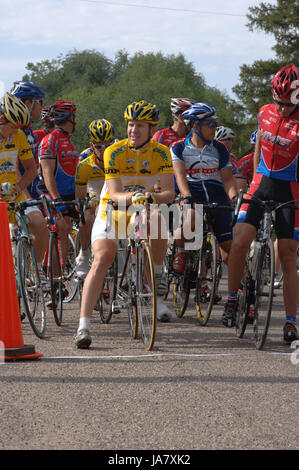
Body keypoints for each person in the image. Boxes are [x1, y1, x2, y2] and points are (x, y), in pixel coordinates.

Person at [74, 99, 175, 349]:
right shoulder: (114, 152)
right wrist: (136, 196)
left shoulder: (162, 152)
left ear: (152, 129)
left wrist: (153, 197)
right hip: (114, 208)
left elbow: (169, 193)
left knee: (157, 217)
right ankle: (83, 325)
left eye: (140, 125)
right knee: (102, 258)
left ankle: (156, 272)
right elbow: (116, 193)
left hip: (143, 207)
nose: (133, 130)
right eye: (131, 124)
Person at [222, 63, 299, 344]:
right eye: (277, 102)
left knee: (289, 253)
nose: (281, 109)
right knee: (239, 240)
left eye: (287, 105)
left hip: (290, 190)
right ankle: (232, 299)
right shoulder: (264, 112)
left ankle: (290, 322)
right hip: (261, 184)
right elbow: (257, 152)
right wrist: (254, 182)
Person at [170, 103, 237, 289]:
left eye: (216, 124)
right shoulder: (178, 148)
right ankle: (181, 251)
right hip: (193, 194)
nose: (214, 128)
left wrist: (236, 198)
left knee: (229, 249)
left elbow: (228, 180)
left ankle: (239, 289)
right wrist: (187, 197)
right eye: (210, 124)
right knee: (192, 216)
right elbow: (180, 176)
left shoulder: (220, 148)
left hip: (217, 196)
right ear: (195, 126)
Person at [0, 92, 47, 275]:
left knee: (40, 224)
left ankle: (32, 271)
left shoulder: (18, 136)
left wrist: (19, 187)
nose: (14, 132)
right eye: (12, 127)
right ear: (2, 119)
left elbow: (31, 169)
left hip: (15, 193)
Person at [39, 100, 79, 268]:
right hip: (53, 194)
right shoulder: (51, 140)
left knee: (69, 229)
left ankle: (59, 273)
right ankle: (53, 276)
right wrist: (56, 199)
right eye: (74, 117)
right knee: (62, 229)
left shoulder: (67, 139)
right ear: (70, 118)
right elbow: (47, 173)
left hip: (69, 195)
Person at [75, 118, 115, 278]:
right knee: (87, 215)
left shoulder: (120, 154)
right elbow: (79, 197)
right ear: (92, 145)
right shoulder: (84, 163)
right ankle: (84, 254)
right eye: (98, 146)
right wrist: (87, 201)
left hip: (114, 191)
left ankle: (133, 266)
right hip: (95, 192)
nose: (103, 149)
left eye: (108, 145)